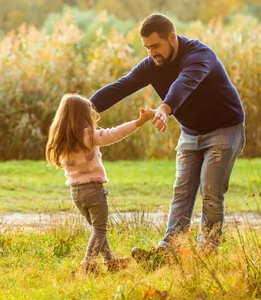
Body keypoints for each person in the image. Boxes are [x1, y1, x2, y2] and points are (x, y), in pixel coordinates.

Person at [90, 13, 245, 262]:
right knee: (182, 192)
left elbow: (184, 83)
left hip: (224, 130)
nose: (152, 53)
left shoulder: (199, 55)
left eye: (155, 46)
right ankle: (168, 250)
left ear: (172, 37)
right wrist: (81, 111)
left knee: (211, 193)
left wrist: (164, 108)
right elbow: (122, 86)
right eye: (147, 47)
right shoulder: (152, 64)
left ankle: (207, 254)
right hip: (191, 132)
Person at [46, 93, 154, 274]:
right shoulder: (87, 136)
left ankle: (111, 261)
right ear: (82, 116)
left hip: (76, 193)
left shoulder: (61, 140)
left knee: (98, 230)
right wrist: (138, 122)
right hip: (94, 191)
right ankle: (87, 265)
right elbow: (113, 134)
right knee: (100, 229)